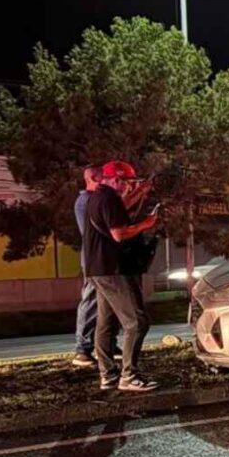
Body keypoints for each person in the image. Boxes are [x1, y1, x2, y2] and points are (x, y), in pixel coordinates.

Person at [84, 160, 160, 392]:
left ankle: (107, 376)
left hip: (99, 269)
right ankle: (129, 375)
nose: (129, 187)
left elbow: (119, 211)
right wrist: (146, 224)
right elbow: (119, 233)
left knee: (106, 324)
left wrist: (139, 193)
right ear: (116, 180)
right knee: (137, 322)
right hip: (113, 270)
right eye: (128, 182)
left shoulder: (100, 197)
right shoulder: (108, 198)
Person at [72, 166, 102, 367]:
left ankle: (105, 344)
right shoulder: (86, 201)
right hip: (93, 259)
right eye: (103, 178)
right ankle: (82, 348)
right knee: (91, 300)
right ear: (92, 178)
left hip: (99, 258)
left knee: (105, 302)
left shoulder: (95, 199)